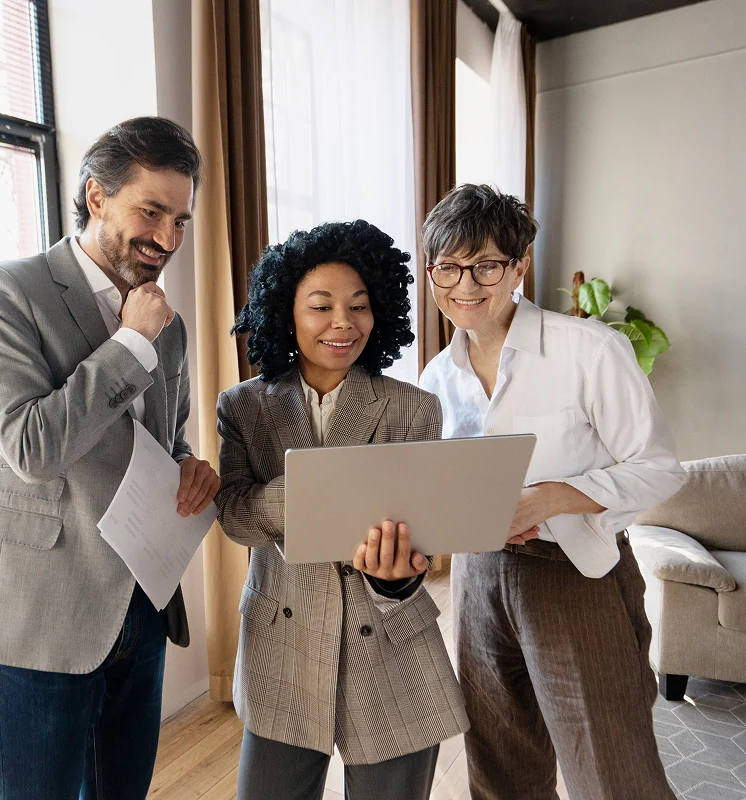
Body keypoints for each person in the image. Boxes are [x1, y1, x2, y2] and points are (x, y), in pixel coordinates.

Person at [0, 117, 220, 800]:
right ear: (97, 196)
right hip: (45, 609)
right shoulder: (3, 292)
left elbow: (167, 436)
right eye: (151, 211)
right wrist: (130, 344)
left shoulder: (170, 324)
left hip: (142, 602)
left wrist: (188, 463)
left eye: (181, 220)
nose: (167, 239)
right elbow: (32, 448)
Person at [418, 184, 687, 800]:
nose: (465, 285)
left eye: (486, 265)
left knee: (612, 769)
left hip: (575, 577)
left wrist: (556, 496)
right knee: (499, 761)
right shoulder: (438, 376)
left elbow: (661, 467)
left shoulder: (590, 350)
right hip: (477, 578)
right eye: (448, 267)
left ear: (519, 265)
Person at [215, 220, 469, 800]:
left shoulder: (414, 408)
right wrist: (317, 487)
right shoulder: (245, 407)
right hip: (282, 649)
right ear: (288, 314)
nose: (342, 322)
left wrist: (399, 575)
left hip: (391, 648)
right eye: (321, 305)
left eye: (359, 305)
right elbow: (232, 513)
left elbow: (421, 533)